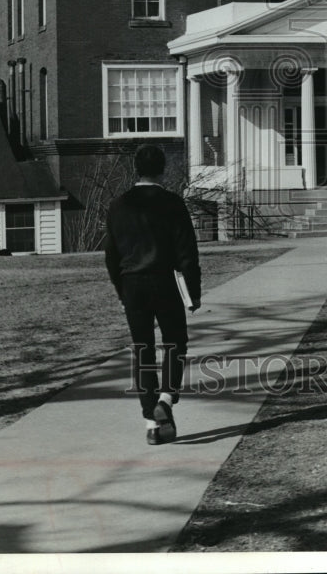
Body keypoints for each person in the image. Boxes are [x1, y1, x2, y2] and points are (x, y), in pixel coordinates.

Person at [105, 144, 201, 446]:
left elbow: (111, 256)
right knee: (175, 342)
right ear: (163, 169)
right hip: (163, 281)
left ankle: (151, 423)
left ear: (136, 168)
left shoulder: (118, 205)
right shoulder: (172, 203)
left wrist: (121, 291)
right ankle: (166, 399)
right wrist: (193, 292)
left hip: (132, 284)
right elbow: (187, 252)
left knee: (142, 349)